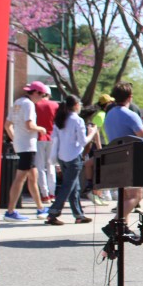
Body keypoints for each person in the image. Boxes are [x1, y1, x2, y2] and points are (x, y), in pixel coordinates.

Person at [44, 95, 97, 225]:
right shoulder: (77, 120)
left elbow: (54, 137)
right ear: (76, 105)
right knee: (68, 186)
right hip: (74, 156)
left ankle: (79, 215)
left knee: (74, 187)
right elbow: (83, 141)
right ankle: (53, 213)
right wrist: (92, 132)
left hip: (62, 156)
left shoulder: (61, 118)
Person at [3, 81, 50, 221]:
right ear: (35, 92)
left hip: (22, 145)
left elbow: (7, 125)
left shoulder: (18, 102)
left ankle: (40, 208)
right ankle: (10, 211)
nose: (42, 98)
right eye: (42, 95)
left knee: (33, 177)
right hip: (28, 146)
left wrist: (16, 139)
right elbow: (29, 125)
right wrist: (41, 129)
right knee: (21, 178)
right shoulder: (29, 104)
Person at [103, 81, 143, 212]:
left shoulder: (109, 114)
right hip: (131, 159)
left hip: (116, 158)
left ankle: (122, 222)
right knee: (136, 196)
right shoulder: (130, 115)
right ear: (130, 97)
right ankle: (116, 220)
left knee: (124, 196)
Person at [34, 93, 59, 204]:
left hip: (38, 137)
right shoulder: (55, 105)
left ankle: (45, 194)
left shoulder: (35, 104)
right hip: (51, 137)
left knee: (40, 167)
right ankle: (52, 193)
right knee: (51, 166)